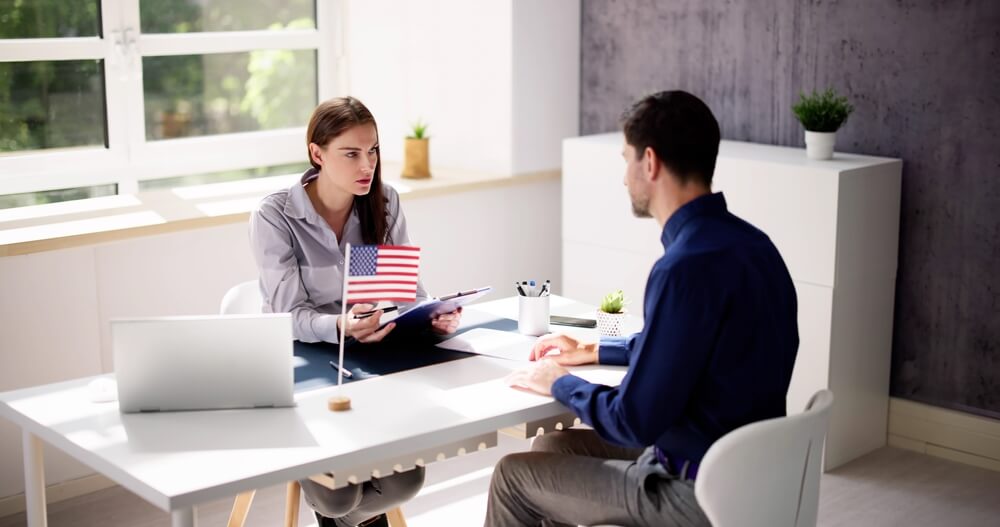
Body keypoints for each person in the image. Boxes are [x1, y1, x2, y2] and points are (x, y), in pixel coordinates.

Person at [488, 90, 800, 527]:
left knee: (511, 476)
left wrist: (561, 382)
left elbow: (633, 420)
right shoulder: (755, 247)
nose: (623, 177)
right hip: (748, 473)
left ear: (649, 162)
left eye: (626, 159)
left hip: (697, 495)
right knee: (551, 449)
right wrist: (595, 350)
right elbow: (689, 349)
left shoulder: (682, 268)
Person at [250, 96, 461, 527]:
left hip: (369, 359)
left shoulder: (382, 204)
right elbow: (288, 316)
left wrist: (431, 316)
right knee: (336, 497)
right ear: (317, 153)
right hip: (301, 363)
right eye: (351, 153)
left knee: (405, 482)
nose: (367, 165)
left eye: (373, 151)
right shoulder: (276, 215)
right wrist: (341, 325)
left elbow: (402, 293)